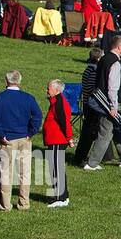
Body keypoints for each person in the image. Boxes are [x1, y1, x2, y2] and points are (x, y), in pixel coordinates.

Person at [0, 71, 43, 211]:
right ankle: (24, 203)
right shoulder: (28, 98)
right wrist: (31, 132)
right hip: (24, 138)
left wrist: (0, 134)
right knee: (25, 172)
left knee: (6, 173)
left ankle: (5, 205)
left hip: (7, 140)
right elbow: (38, 115)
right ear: (19, 81)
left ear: (6, 81)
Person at [84, 35, 121, 171]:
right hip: (108, 103)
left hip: (102, 100)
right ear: (119, 47)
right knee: (106, 133)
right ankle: (92, 163)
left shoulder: (104, 59)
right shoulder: (115, 63)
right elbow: (112, 87)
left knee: (118, 129)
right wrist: (113, 106)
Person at [43, 80, 73, 208]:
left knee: (56, 170)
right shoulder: (56, 101)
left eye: (48, 88)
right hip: (55, 140)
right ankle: (62, 196)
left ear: (56, 90)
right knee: (56, 169)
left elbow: (64, 122)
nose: (46, 90)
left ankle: (60, 198)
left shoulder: (59, 102)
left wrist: (69, 137)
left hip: (57, 140)